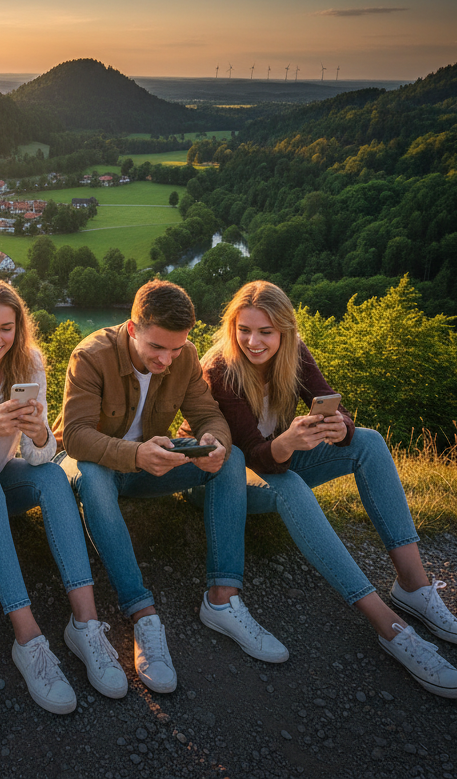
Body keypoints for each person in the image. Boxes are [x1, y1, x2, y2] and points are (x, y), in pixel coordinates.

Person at [195, 279, 457, 698]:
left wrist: (339, 426)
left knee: (371, 443)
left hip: (276, 461)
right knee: (288, 484)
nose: (253, 341)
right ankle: (390, 627)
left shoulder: (295, 355)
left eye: (265, 331)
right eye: (244, 329)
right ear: (232, 326)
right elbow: (251, 453)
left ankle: (413, 587)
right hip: (222, 479)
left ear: (285, 331)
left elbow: (330, 401)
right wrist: (287, 444)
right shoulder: (221, 368)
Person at [57, 279, 287, 695]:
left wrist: (216, 441)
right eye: (156, 348)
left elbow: (207, 413)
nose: (167, 359)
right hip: (97, 465)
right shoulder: (91, 355)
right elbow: (73, 436)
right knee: (91, 475)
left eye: (176, 349)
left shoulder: (185, 357)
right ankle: (142, 615)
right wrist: (135, 454)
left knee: (231, 458)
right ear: (132, 329)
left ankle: (223, 597)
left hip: (153, 463)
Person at [0, 279, 128, 713]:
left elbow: (39, 457)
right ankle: (28, 638)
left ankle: (85, 625)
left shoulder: (30, 362)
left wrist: (37, 436)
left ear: (19, 329)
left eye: (6, 328)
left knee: (53, 477)